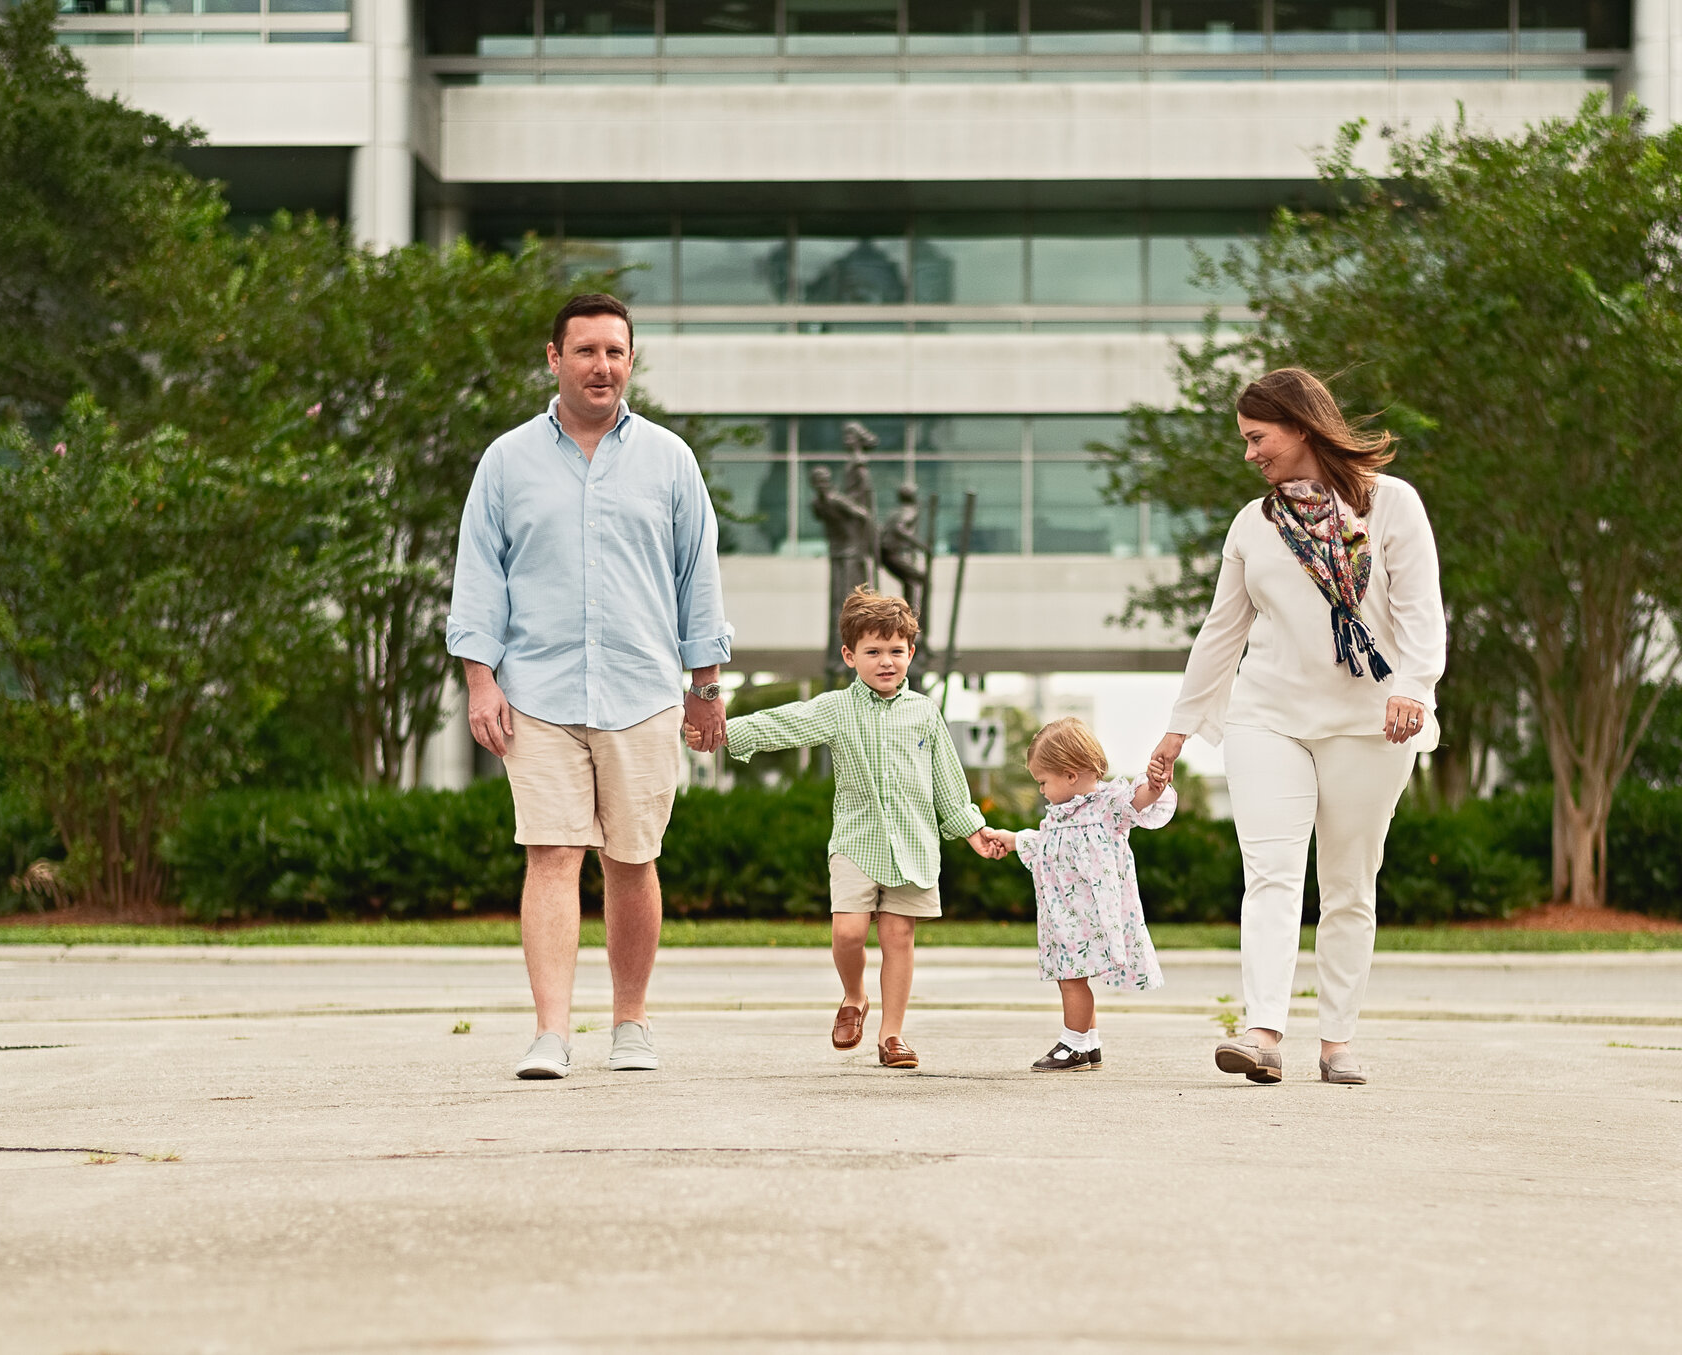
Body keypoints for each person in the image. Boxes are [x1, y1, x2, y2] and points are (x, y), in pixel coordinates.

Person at [446, 293, 733, 1082]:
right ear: (553, 358)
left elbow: (695, 576)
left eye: (614, 351)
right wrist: (480, 679)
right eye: (585, 351)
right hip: (535, 692)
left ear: (630, 361)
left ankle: (630, 1024)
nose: (601, 365)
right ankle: (550, 1033)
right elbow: (479, 576)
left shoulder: (670, 460)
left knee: (633, 860)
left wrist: (705, 686)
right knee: (551, 853)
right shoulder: (506, 460)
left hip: (642, 691)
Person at [1146, 368, 1444, 1087]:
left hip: (1371, 723)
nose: (1248, 454)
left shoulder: (1391, 505)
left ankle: (1337, 1040)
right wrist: (1179, 729)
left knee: (1348, 885)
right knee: (1271, 874)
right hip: (1267, 716)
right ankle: (1263, 1031)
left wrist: (1413, 686)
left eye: (1257, 437)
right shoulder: (1255, 524)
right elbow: (1222, 632)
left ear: (1301, 426)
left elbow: (1421, 610)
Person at [698, 586, 1005, 1071]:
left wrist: (974, 831)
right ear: (849, 655)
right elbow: (785, 723)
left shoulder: (924, 712)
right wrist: (722, 732)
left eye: (896, 651)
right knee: (847, 933)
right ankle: (854, 995)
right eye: (873, 652)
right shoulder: (838, 708)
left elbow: (947, 778)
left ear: (911, 653)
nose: (886, 661)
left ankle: (892, 1035)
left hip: (914, 846)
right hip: (856, 843)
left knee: (899, 937)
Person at [978, 717, 1176, 1072]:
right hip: (1063, 914)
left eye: (1042, 782)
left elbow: (1140, 801)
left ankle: (1072, 1044)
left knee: (1072, 977)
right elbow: (1049, 845)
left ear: (1070, 775)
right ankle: (1090, 1044)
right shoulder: (1059, 816)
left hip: (1088, 918)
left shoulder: (1106, 808)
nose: (1040, 790)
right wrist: (1012, 839)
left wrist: (1155, 785)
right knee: (1072, 974)